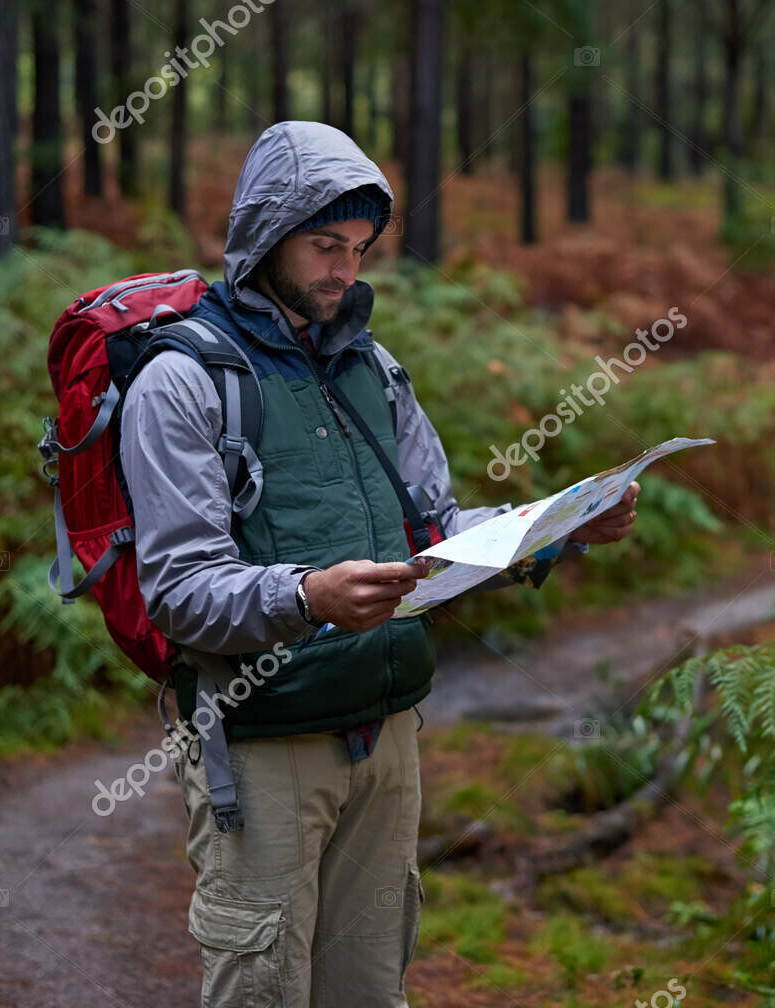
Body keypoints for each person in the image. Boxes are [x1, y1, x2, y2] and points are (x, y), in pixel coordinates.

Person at [118, 120, 639, 1008]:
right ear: (263, 234)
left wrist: (556, 528)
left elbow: (435, 529)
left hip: (388, 738)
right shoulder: (184, 382)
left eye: (358, 249)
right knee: (265, 991)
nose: (344, 271)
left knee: (368, 991)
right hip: (262, 742)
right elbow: (179, 589)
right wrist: (307, 596)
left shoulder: (373, 367)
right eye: (325, 246)